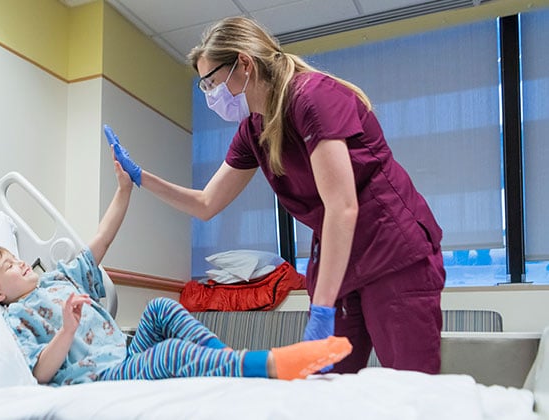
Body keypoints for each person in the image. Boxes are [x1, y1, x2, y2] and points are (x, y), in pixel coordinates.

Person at [105, 16, 446, 374]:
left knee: (411, 384)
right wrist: (142, 178)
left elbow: (342, 207)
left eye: (212, 82)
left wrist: (323, 308)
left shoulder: (313, 97)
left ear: (244, 64)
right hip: (339, 261)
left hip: (391, 249)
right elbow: (206, 204)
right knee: (329, 387)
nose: (209, 94)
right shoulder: (254, 129)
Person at [0, 158, 352, 386]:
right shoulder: (15, 316)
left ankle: (228, 359)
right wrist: (66, 330)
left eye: (16, 257)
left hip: (125, 354)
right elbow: (41, 373)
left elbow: (102, 239)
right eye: (9, 266)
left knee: (160, 310)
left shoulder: (57, 278)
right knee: (170, 354)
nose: (21, 262)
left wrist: (124, 190)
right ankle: (266, 366)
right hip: (100, 379)